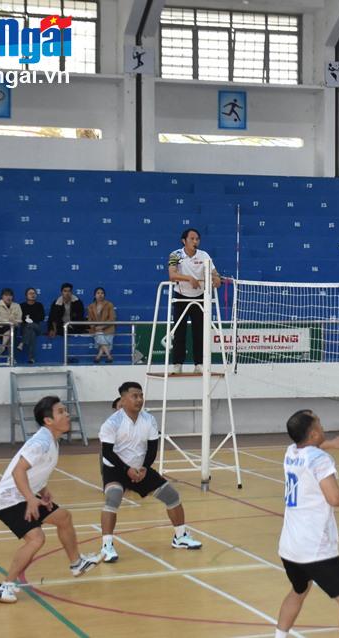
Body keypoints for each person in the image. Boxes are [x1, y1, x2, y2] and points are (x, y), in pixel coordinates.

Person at [0, 396, 100, 603]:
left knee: (63, 518)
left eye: (65, 410)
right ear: (48, 420)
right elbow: (18, 471)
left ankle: (76, 563)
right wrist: (32, 498)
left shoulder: (51, 440)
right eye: (60, 412)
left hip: (24, 495)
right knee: (37, 539)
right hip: (9, 500)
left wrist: (43, 490)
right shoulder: (41, 442)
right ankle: (5, 585)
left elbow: (36, 471)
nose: (67, 414)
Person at [275, 410, 339, 638]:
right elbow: (335, 498)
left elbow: (309, 453)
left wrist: (331, 444)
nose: (323, 427)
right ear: (314, 433)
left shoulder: (291, 452)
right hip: (315, 549)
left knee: (299, 591)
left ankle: (279, 636)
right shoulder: (321, 460)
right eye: (320, 425)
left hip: (289, 547)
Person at [98, 381, 202, 563]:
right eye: (134, 396)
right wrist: (127, 469)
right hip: (116, 469)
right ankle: (107, 546)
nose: (139, 400)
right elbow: (107, 452)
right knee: (113, 497)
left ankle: (180, 536)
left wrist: (144, 467)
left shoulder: (149, 419)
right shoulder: (112, 423)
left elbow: (152, 449)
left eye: (141, 395)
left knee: (172, 496)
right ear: (123, 399)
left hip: (140, 468)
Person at [168, 227, 221, 375]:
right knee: (180, 332)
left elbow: (214, 273)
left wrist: (217, 279)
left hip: (200, 297)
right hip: (181, 297)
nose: (195, 241)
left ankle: (199, 363)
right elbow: (172, 275)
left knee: (200, 332)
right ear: (183, 241)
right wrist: (189, 278)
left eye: (197, 239)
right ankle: (177, 364)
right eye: (192, 238)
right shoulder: (175, 254)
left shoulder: (204, 255)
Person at [0, 287, 22, 355]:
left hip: (11, 328)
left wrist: (13, 322)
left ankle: (3, 347)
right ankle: (11, 358)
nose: (8, 297)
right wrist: (8, 321)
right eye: (6, 295)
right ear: (2, 296)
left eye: (10, 295)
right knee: (11, 331)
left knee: (12, 330)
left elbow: (19, 320)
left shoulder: (17, 306)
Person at [87, 287, 117, 363]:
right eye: (98, 293)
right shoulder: (91, 306)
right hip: (96, 329)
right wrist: (94, 327)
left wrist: (102, 327)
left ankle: (99, 356)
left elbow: (112, 318)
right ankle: (109, 356)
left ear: (104, 295)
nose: (100, 295)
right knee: (99, 334)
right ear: (94, 295)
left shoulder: (109, 304)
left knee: (101, 339)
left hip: (108, 329)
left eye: (102, 293)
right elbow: (90, 320)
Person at [18, 287, 44, 364]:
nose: (33, 295)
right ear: (26, 296)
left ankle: (22, 343)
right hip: (25, 329)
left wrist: (29, 319)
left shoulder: (39, 305)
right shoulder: (21, 306)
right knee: (31, 333)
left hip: (37, 327)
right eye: (30, 293)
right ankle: (31, 358)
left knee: (31, 325)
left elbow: (41, 317)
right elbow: (21, 318)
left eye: (34, 293)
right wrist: (28, 319)